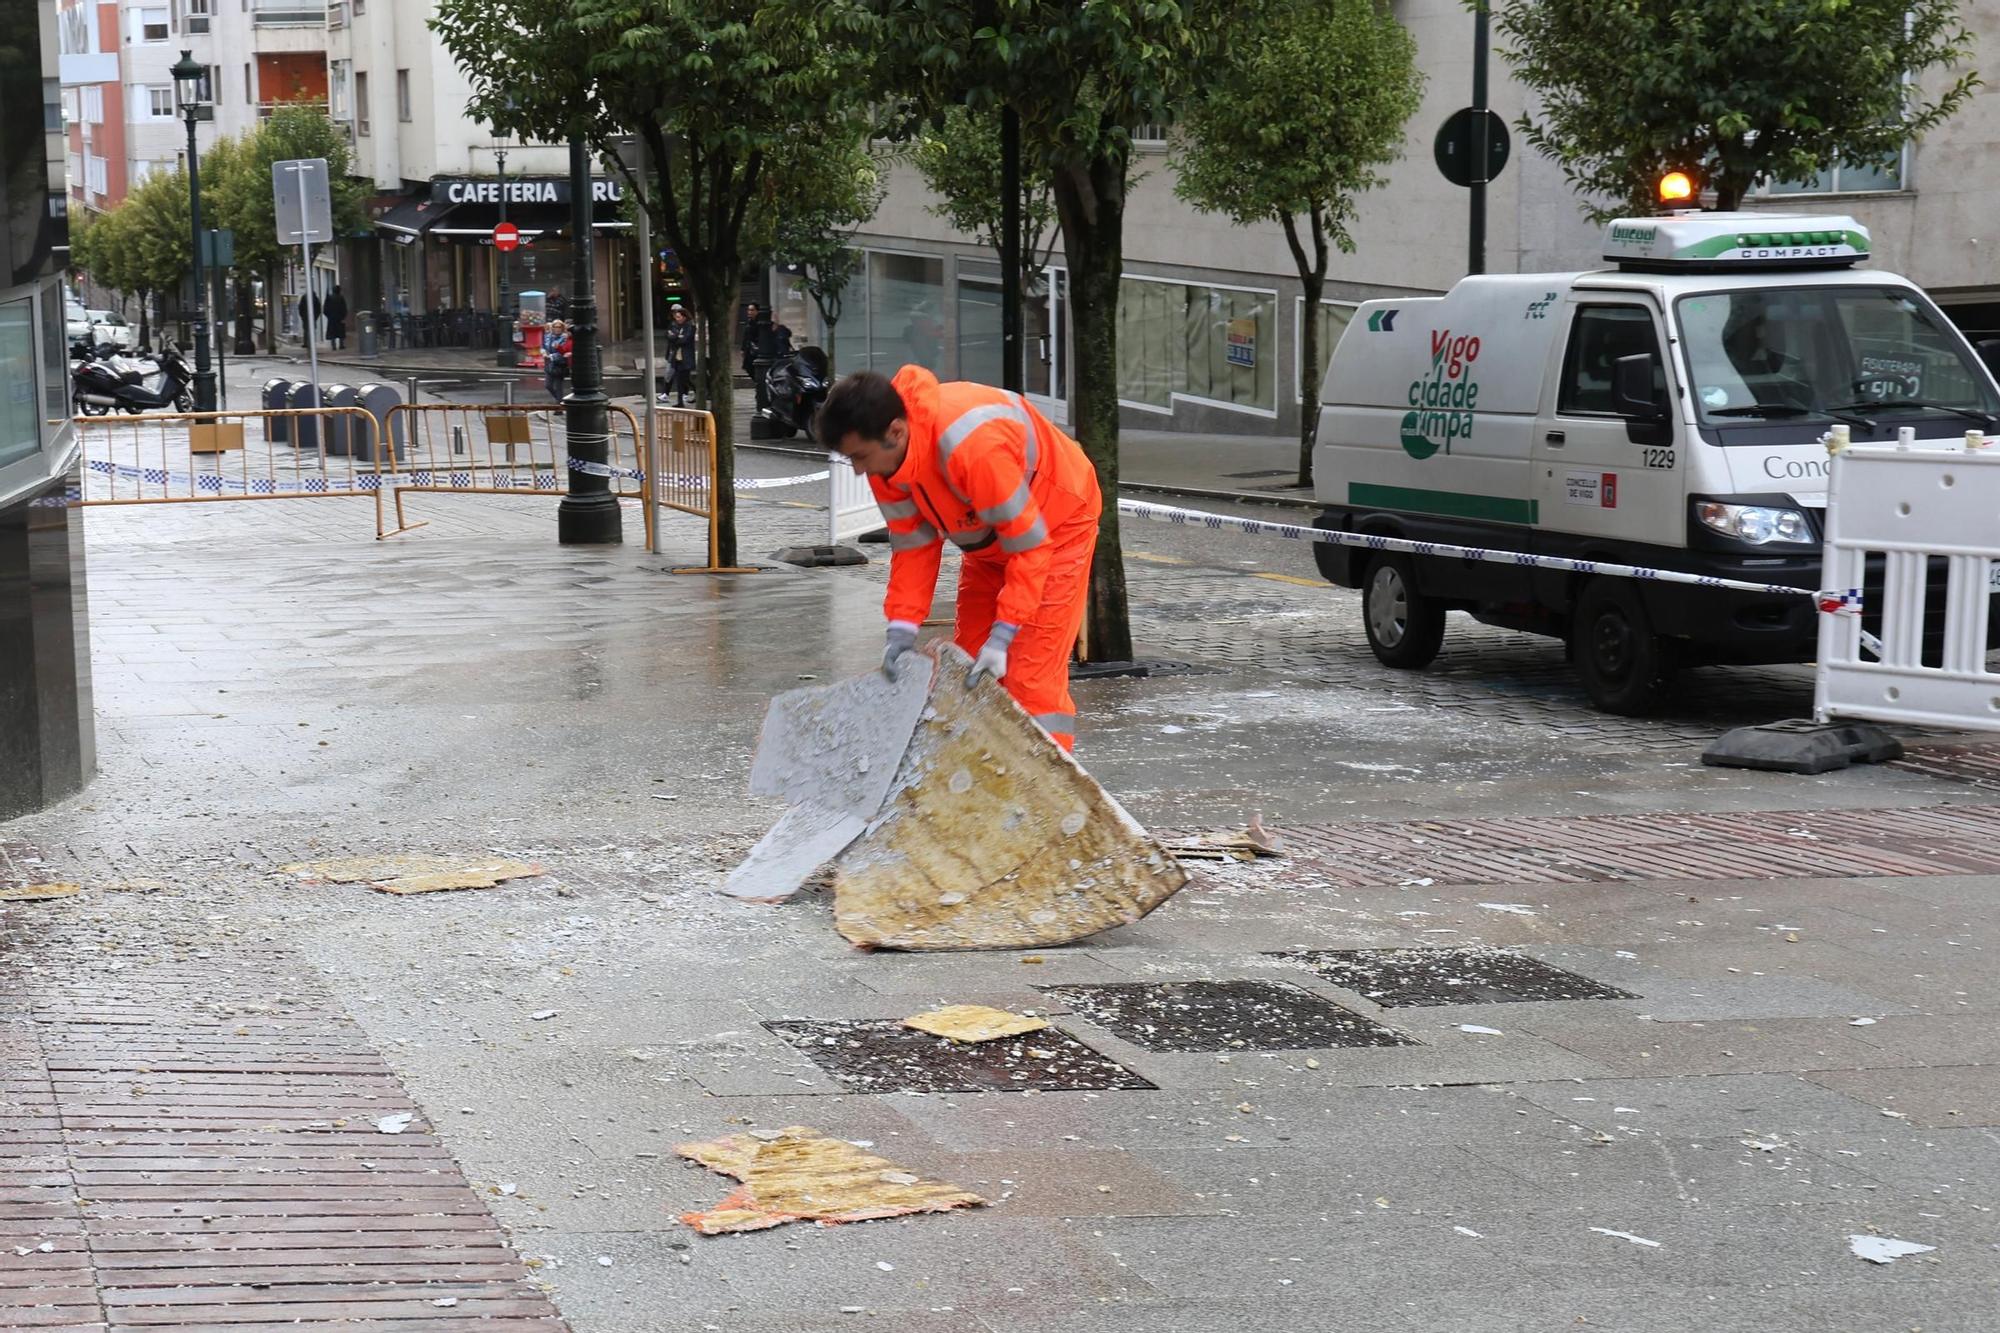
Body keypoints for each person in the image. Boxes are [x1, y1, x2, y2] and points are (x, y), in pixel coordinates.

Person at [816, 366, 1102, 752]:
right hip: (990, 544)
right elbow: (914, 544)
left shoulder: (972, 445)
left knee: (1029, 680)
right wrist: (901, 628)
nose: (858, 469)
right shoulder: (887, 459)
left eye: (860, 456)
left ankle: (1044, 797)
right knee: (967, 668)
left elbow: (1031, 546)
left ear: (896, 432)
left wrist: (1005, 634)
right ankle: (982, 780)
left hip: (1056, 527)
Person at [663, 305, 696, 407]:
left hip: (685, 357)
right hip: (677, 357)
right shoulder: (676, 326)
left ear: (684, 317)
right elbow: (669, 336)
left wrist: (675, 337)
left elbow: (684, 340)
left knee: (685, 379)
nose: (676, 319)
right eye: (675, 317)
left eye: (678, 317)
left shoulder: (689, 326)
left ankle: (698, 392)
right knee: (679, 380)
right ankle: (680, 401)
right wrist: (676, 336)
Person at [543, 319, 570, 400]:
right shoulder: (548, 337)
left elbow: (563, 352)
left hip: (559, 365)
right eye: (555, 327)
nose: (557, 329)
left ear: (562, 328)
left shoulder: (564, 338)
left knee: (558, 387)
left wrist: (551, 356)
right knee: (548, 385)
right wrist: (543, 352)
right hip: (549, 365)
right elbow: (544, 346)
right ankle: (561, 401)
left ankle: (559, 407)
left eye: (559, 327)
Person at [322, 285, 349, 351]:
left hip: (331, 318)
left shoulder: (329, 298)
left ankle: (333, 346)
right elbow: (344, 308)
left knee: (332, 332)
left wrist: (328, 316)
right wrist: (343, 316)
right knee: (340, 332)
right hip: (339, 318)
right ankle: (341, 345)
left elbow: (325, 309)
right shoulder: (341, 298)